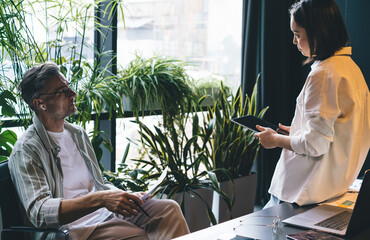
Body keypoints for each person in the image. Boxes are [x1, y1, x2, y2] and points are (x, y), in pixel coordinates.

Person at [8, 62, 190, 240]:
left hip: (104, 212)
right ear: (40, 104)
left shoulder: (77, 134)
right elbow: (39, 212)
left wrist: (122, 196)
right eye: (63, 91)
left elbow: (96, 185)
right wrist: (101, 199)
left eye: (68, 87)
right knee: (138, 236)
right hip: (76, 228)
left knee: (168, 210)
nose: (73, 94)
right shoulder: (27, 149)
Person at [254, 0, 370, 208]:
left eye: (298, 34)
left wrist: (276, 140)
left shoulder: (324, 74)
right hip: (333, 189)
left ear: (318, 32)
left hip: (303, 192)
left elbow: (315, 144)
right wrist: (299, 131)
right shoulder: (350, 69)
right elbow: (337, 132)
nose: (294, 41)